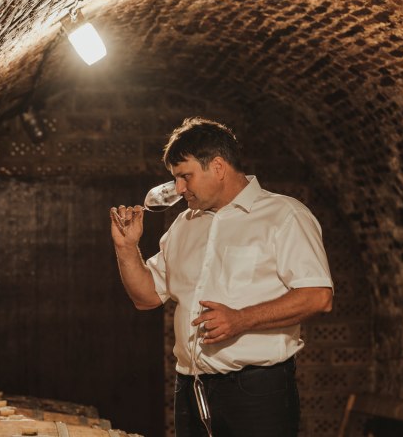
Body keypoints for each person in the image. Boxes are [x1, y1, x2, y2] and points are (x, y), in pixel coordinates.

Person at [110, 117, 333, 437]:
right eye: (175, 179)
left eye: (185, 176)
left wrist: (242, 319)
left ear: (217, 166)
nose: (179, 189)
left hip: (257, 391)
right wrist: (127, 248)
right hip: (190, 388)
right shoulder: (183, 225)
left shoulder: (284, 215)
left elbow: (318, 296)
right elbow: (146, 298)